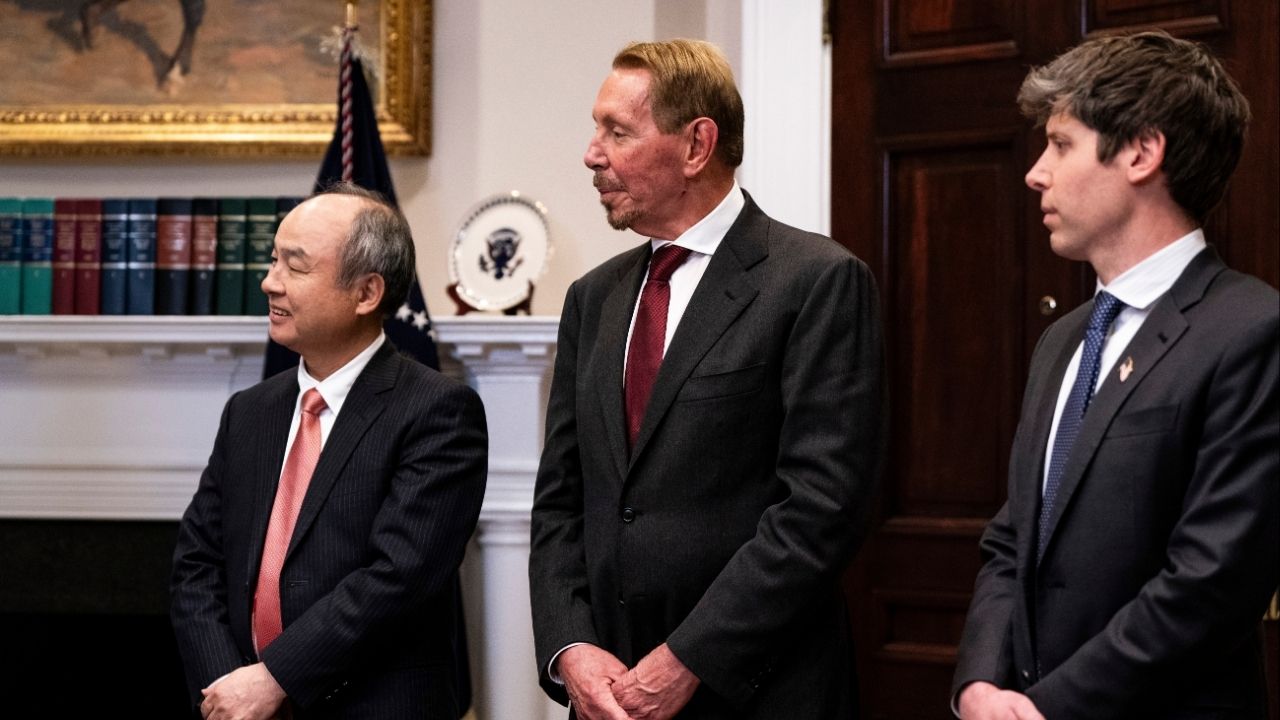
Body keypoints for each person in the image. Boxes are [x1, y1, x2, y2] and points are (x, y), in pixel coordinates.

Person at [528, 39, 884, 720]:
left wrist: (687, 659)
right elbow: (561, 502)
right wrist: (569, 646)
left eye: (617, 131)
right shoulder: (592, 299)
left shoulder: (815, 282)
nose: (591, 153)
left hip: (759, 691)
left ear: (697, 145)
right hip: (608, 696)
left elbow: (821, 510)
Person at [953, 31, 1279, 720]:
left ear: (1141, 151)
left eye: (1061, 144)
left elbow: (1210, 583)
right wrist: (980, 684)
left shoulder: (1253, 331)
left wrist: (1049, 709)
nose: (1036, 172)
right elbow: (1013, 540)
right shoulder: (1062, 341)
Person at [171, 183, 488, 719]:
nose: (269, 282)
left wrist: (274, 680)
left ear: (366, 293)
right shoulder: (250, 411)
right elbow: (196, 565)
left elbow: (398, 578)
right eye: (273, 260)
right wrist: (230, 687)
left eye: (295, 267)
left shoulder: (438, 411)